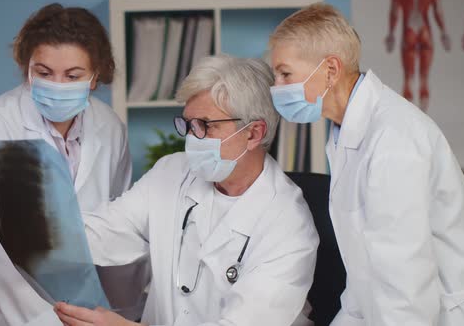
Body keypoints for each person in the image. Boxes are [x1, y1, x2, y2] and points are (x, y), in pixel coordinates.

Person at [269, 3, 464, 326]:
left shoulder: (393, 140)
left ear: (330, 70)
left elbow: (406, 293)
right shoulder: (346, 132)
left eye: (285, 74)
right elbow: (363, 278)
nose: (277, 88)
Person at [54, 55, 319, 326]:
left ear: (253, 133)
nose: (192, 138)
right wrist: (32, 231)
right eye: (188, 125)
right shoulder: (172, 172)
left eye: (205, 125)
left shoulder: (288, 224)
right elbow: (107, 232)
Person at [0, 3, 134, 326]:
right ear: (27, 68)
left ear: (96, 76)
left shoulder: (110, 129)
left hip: (79, 308)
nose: (57, 84)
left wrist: (120, 314)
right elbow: (6, 253)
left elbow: (117, 226)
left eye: (73, 76)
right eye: (43, 73)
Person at [385, 0, 451, 112]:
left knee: (408, 77)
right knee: (424, 77)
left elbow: (394, 12)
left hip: (409, 31)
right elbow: (437, 10)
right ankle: (423, 115)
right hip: (425, 31)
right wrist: (443, 32)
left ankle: (410, 114)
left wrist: (391, 33)